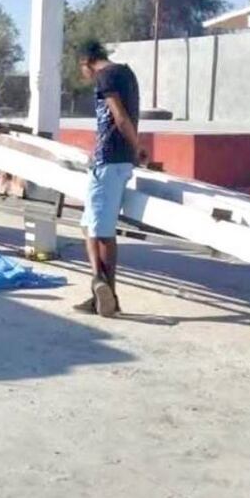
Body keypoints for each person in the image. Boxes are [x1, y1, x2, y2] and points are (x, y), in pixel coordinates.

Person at [73, 39, 145, 318]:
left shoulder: (104, 77)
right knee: (88, 225)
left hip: (108, 161)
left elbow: (120, 116)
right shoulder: (126, 73)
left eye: (82, 70)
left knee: (102, 231)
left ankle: (107, 291)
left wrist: (136, 146)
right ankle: (99, 288)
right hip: (116, 161)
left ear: (85, 63)